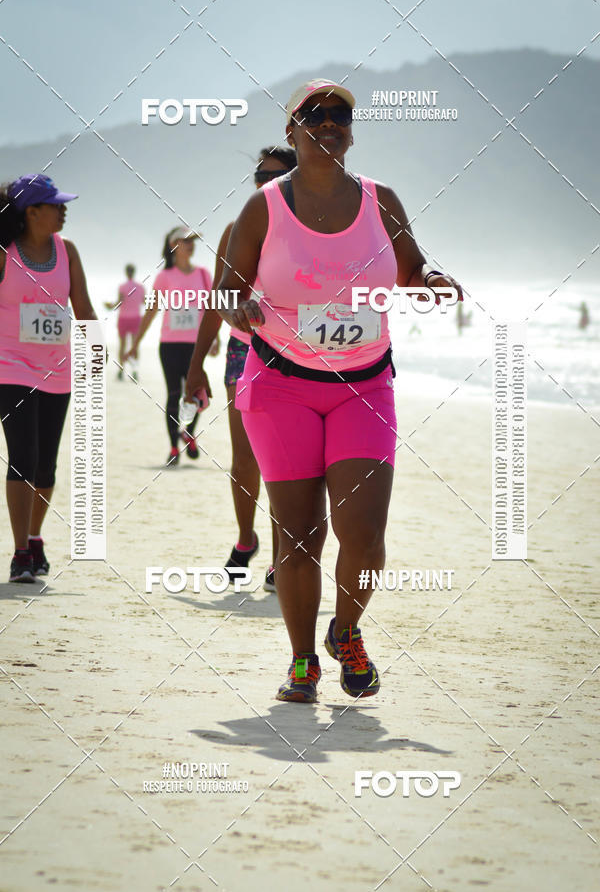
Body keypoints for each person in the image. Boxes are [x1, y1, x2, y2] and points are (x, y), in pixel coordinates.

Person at [204, 79, 462, 703]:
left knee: (365, 536)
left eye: (341, 115)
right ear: (293, 130)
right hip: (282, 385)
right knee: (299, 536)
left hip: (364, 385)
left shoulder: (382, 200)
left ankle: (345, 632)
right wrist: (236, 309)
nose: (330, 123)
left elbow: (411, 267)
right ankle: (301, 662)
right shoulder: (265, 207)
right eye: (315, 114)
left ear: (352, 130)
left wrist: (431, 280)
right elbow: (226, 286)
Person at [186, 147, 296, 593]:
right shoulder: (238, 229)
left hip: (295, 356)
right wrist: (195, 369)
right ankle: (246, 538)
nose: (263, 182)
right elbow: (219, 298)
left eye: (275, 174)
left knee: (284, 464)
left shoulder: (311, 229)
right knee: (246, 458)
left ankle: (280, 559)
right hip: (242, 353)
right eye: (259, 174)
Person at [0, 173, 97, 582]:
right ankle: (21, 552)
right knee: (23, 457)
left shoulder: (68, 251)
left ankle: (35, 536)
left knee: (46, 467)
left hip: (58, 371)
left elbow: (85, 309)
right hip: (10, 366)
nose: (63, 210)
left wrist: (96, 352)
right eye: (55, 205)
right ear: (31, 212)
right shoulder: (4, 254)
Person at [127, 227, 213, 465]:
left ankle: (188, 432)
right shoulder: (165, 277)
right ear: (174, 245)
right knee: (174, 394)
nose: (191, 245)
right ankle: (174, 447)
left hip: (195, 345)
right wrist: (135, 343)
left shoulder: (204, 274)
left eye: (193, 241)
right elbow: (152, 311)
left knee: (196, 393)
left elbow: (211, 310)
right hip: (170, 345)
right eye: (186, 241)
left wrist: (215, 339)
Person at [104, 263, 145, 380]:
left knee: (122, 345)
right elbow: (144, 302)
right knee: (135, 345)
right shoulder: (140, 287)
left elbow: (118, 303)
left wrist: (109, 306)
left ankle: (121, 370)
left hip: (123, 318)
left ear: (126, 273)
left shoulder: (122, 287)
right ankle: (135, 370)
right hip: (136, 319)